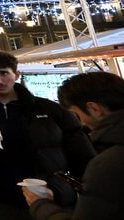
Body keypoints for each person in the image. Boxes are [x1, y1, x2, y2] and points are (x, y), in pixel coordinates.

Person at [0, 51, 95, 220]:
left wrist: (64, 189)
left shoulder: (48, 109)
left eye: (3, 73)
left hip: (48, 196)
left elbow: (83, 156)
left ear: (16, 74)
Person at [24, 71, 124, 219]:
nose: (82, 123)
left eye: (77, 115)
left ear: (94, 109)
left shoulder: (108, 163)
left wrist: (40, 204)